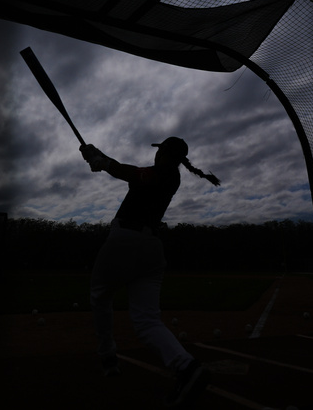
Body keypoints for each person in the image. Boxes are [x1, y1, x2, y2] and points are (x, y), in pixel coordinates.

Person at [80, 137, 220, 408]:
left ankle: (108, 356)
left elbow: (130, 172)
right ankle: (187, 367)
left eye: (160, 151)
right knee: (146, 321)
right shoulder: (169, 176)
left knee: (100, 296)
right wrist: (99, 157)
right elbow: (126, 170)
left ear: (165, 153)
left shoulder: (164, 174)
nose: (156, 155)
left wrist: (101, 161)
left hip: (126, 240)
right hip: (152, 251)